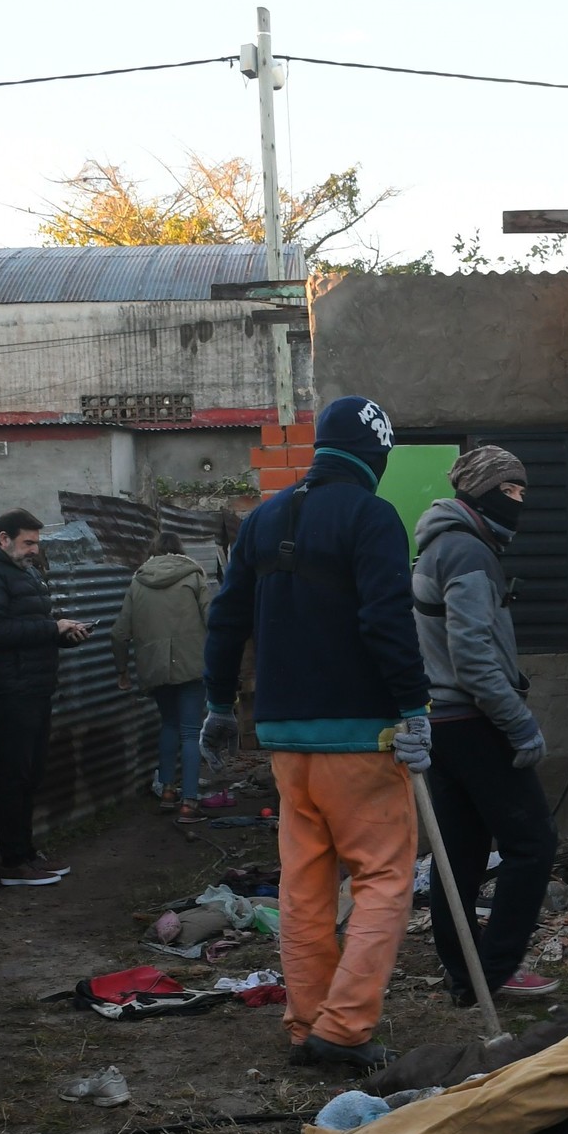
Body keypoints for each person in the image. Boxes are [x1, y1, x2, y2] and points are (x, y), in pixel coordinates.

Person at [202, 394, 430, 1075]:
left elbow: (224, 618)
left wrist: (218, 705)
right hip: (361, 736)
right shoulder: (372, 517)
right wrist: (414, 708)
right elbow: (388, 621)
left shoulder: (264, 520)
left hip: (283, 740)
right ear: (375, 457)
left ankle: (307, 1025)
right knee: (384, 878)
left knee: (303, 886)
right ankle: (346, 1029)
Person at [412, 445, 559, 1007]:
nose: (520, 501)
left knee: (460, 860)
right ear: (481, 492)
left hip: (442, 724)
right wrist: (518, 724)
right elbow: (472, 657)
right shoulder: (469, 554)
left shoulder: (442, 546)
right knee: (533, 843)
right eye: (511, 490)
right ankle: (494, 970)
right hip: (473, 722)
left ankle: (467, 976)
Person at [0, 508, 90, 887]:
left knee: (31, 773)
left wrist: (62, 635)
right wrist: (51, 627)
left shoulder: (26, 573)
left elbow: (28, 630)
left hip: (34, 687)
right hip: (10, 692)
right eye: (28, 542)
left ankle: (27, 852)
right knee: (15, 774)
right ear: (3, 539)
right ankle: (13, 860)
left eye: (37, 542)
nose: (35, 549)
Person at [110, 529, 213, 815]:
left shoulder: (138, 582)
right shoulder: (194, 576)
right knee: (191, 732)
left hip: (154, 667)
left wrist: (122, 671)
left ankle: (168, 790)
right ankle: (189, 801)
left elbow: (119, 633)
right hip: (192, 665)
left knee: (169, 724)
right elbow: (212, 618)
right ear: (180, 550)